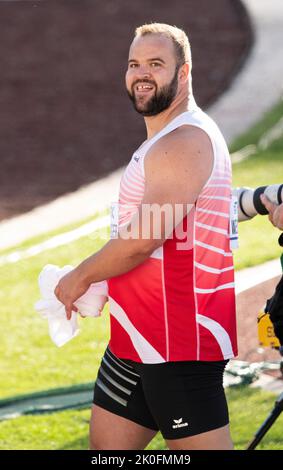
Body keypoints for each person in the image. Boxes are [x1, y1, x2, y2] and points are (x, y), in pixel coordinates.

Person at [54, 23, 237, 450]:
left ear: (184, 72)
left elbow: (143, 239)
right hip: (136, 336)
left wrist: (79, 277)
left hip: (178, 341)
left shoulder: (184, 141)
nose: (142, 74)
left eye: (156, 64)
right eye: (134, 64)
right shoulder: (166, 141)